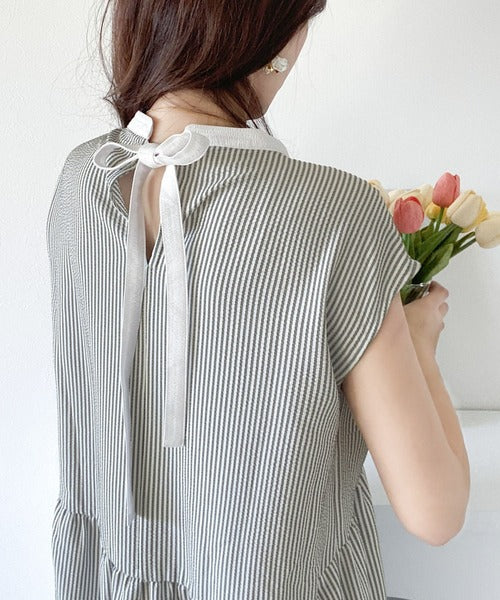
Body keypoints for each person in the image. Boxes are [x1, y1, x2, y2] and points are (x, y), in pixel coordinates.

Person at [46, 1, 470, 598]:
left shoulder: (81, 180)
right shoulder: (334, 214)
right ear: (268, 35)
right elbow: (436, 512)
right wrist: (420, 344)